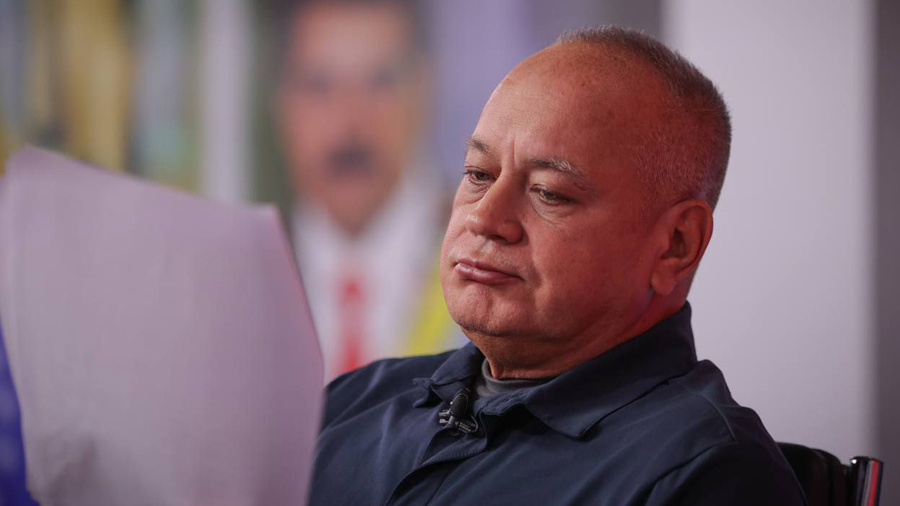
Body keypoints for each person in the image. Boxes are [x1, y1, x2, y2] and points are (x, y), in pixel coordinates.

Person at [308, 27, 807, 505]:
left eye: (548, 192)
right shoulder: (354, 400)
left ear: (676, 244)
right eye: (478, 174)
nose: (484, 218)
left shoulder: (708, 474)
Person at [275, 0, 460, 380]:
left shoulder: (494, 264)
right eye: (319, 86)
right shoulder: (237, 283)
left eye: (380, 82)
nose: (350, 121)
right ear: (281, 104)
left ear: (423, 91)